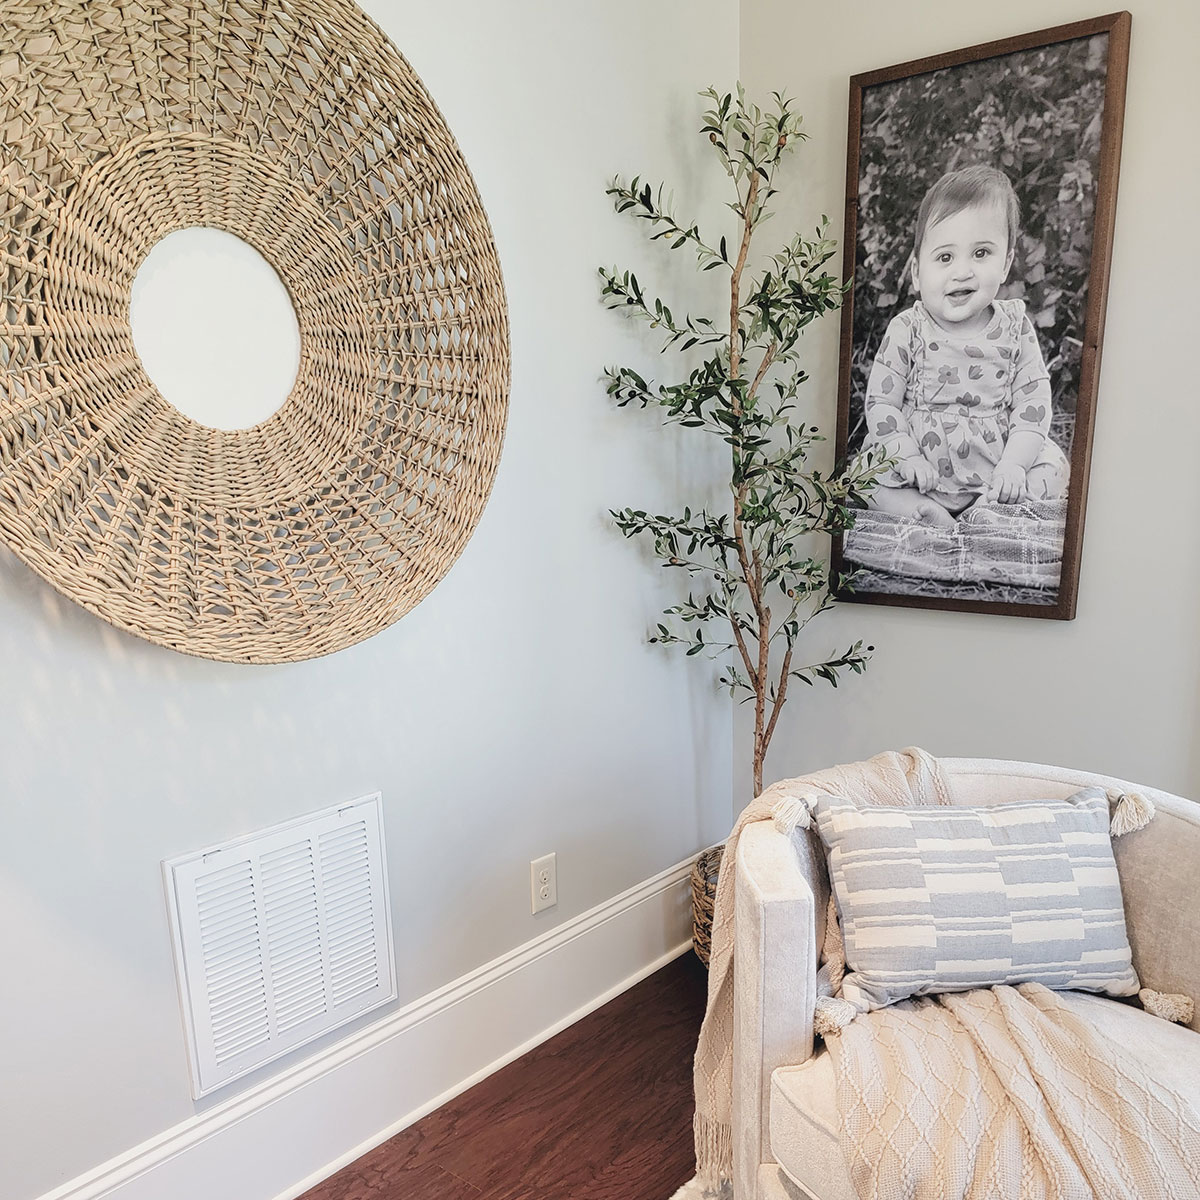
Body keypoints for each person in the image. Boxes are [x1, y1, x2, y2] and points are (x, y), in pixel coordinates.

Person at [861, 164, 1069, 528]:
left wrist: (1014, 465)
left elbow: (1033, 404)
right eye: (945, 257)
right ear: (916, 272)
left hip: (994, 468)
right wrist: (906, 455)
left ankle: (988, 512)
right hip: (922, 471)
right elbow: (881, 403)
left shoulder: (1014, 326)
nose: (962, 271)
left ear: (1005, 264)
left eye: (981, 253)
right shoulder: (907, 329)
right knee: (865, 474)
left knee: (1054, 468)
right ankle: (924, 513)